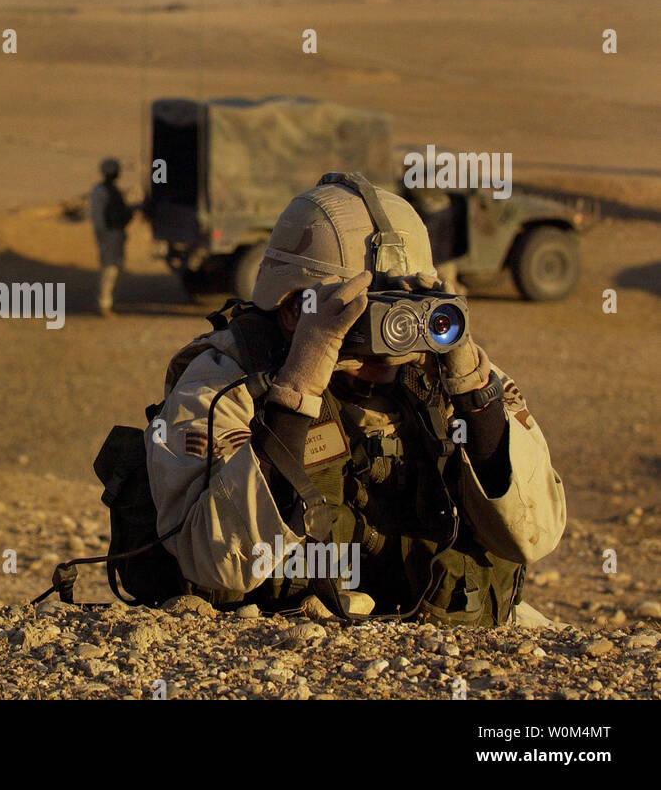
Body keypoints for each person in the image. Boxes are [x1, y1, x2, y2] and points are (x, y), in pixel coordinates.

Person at [144, 172, 565, 625]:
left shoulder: (443, 375)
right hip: (286, 639)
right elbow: (215, 563)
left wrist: (475, 396)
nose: (392, 339)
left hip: (441, 628)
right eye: (363, 312)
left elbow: (534, 537)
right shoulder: (225, 381)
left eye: (404, 306)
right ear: (292, 311)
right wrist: (296, 390)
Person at [89, 157, 133, 316]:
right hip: (109, 235)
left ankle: (110, 301)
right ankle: (104, 303)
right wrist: (104, 235)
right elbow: (99, 218)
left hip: (116, 234)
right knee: (109, 269)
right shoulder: (101, 192)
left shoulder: (111, 191)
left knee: (117, 269)